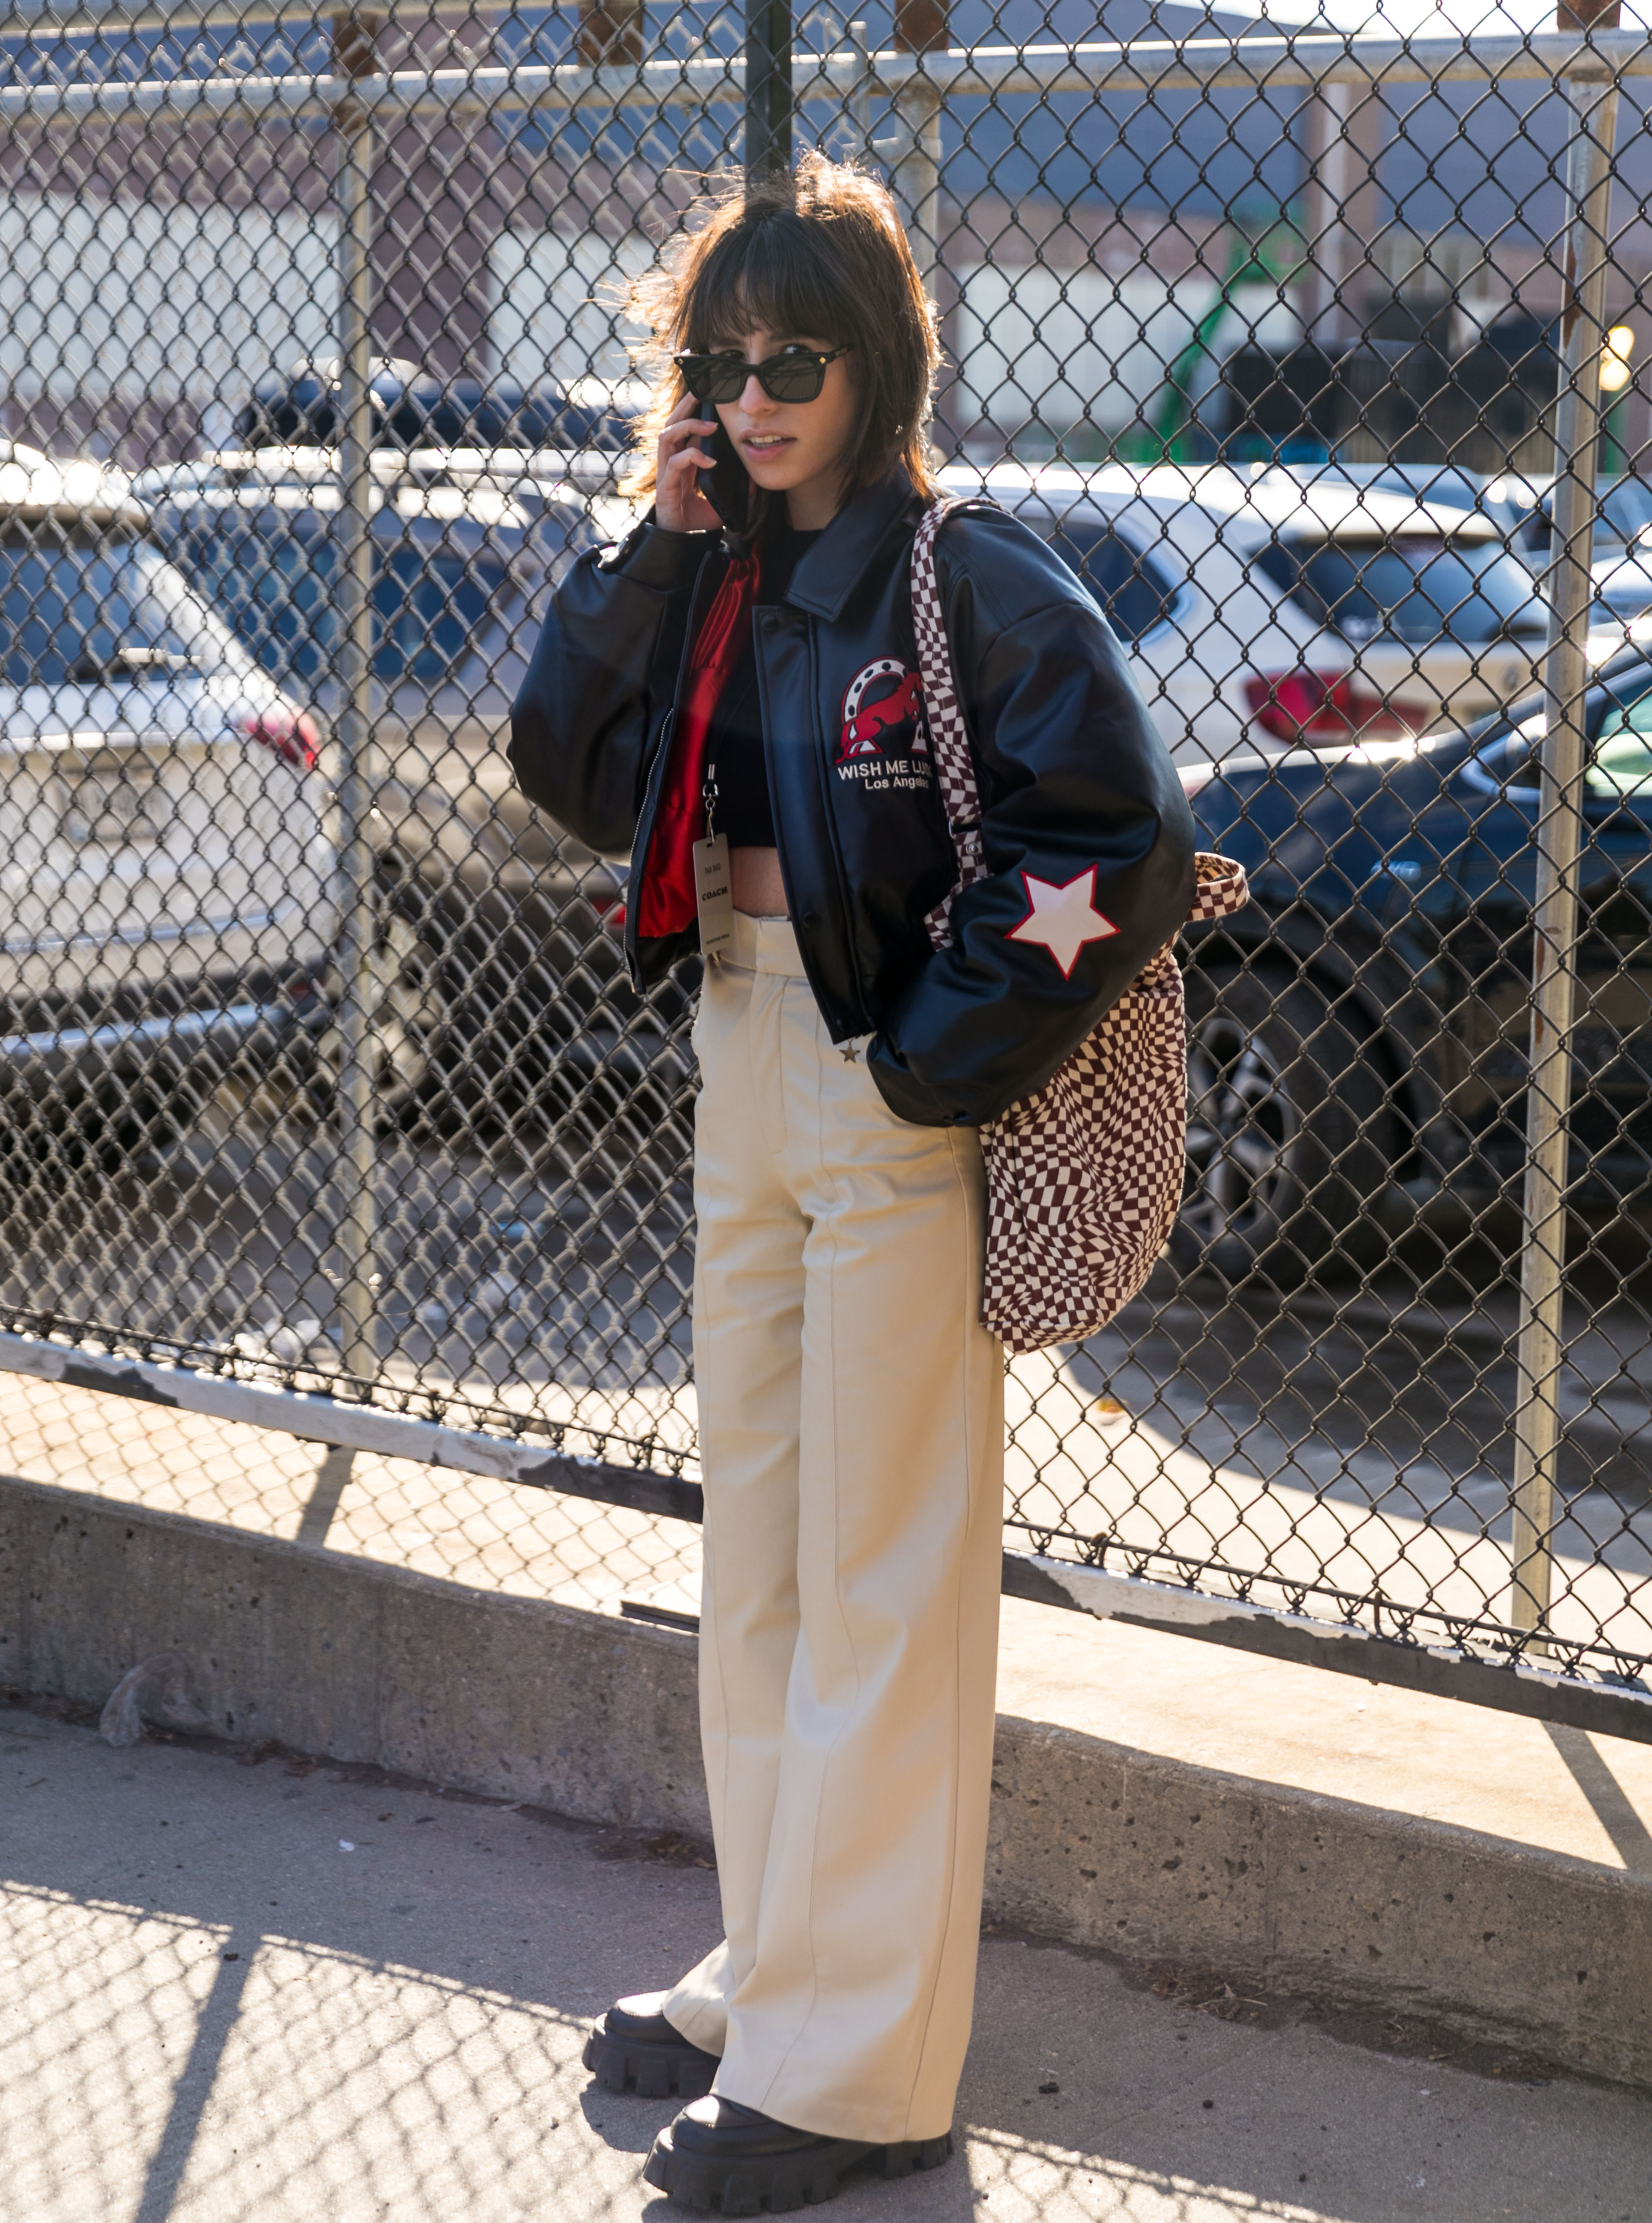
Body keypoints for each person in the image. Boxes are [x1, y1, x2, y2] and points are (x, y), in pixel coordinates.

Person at [509, 152, 1194, 2212]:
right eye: (722, 360)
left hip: (887, 1087)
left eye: (794, 356)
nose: (757, 390)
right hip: (736, 1054)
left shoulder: (968, 572)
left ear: (879, 355)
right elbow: (559, 761)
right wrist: (656, 536)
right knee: (769, 1558)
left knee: (888, 1579)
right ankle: (779, 1972)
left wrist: (927, 1064)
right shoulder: (711, 554)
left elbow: (1117, 837)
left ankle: (867, 2070)